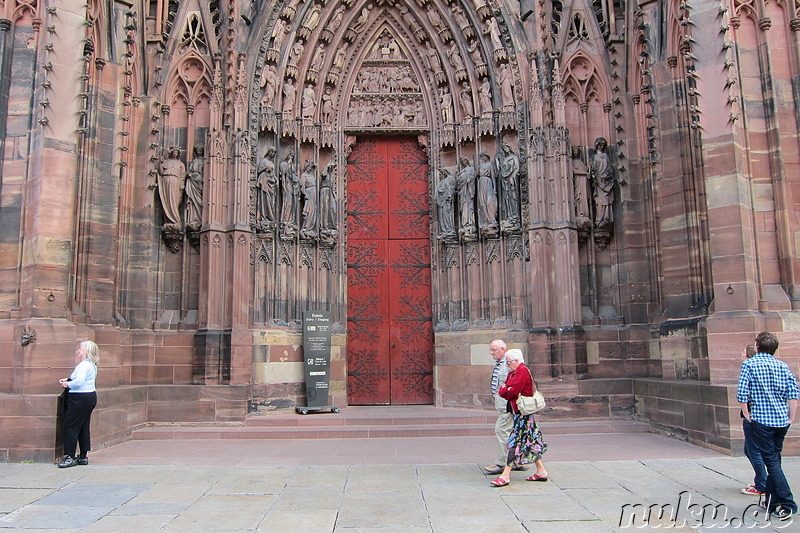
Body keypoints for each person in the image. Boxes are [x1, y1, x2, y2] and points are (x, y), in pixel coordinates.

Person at [737, 331, 798, 519]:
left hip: (761, 421)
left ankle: (788, 504)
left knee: (771, 462)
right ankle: (772, 501)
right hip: (781, 421)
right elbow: (793, 392)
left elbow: (742, 393)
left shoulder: (749, 364)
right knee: (774, 460)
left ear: (757, 346)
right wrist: (791, 417)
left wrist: (747, 416)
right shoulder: (782, 365)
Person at [490, 349, 548, 487]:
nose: (507, 365)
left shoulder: (522, 371)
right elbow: (504, 390)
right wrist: (506, 389)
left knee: (514, 442)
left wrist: (507, 389)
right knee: (531, 441)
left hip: (523, 414)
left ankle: (505, 475)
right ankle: (541, 471)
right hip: (518, 414)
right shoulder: (513, 372)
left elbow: (512, 391)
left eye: (509, 362)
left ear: (517, 361)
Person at [482, 340, 526, 475]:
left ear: (503, 349)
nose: (492, 353)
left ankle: (503, 463)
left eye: (494, 350)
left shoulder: (509, 363)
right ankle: (517, 461)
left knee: (501, 430)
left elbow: (517, 381)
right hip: (504, 405)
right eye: (491, 350)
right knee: (513, 432)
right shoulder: (501, 364)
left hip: (509, 406)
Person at [58, 340, 99, 468]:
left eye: (80, 349)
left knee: (70, 425)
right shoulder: (91, 365)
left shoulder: (83, 365)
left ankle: (70, 456)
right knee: (82, 426)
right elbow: (84, 379)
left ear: (86, 351)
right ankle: (83, 456)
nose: (78, 351)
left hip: (80, 398)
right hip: (89, 396)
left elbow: (80, 381)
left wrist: (68, 384)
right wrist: (70, 379)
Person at [739, 343, 767, 496]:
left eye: (743, 351)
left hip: (754, 416)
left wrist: (746, 413)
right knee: (749, 450)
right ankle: (761, 480)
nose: (741, 354)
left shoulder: (748, 366)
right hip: (765, 416)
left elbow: (742, 394)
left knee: (754, 450)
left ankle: (762, 484)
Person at [156, 147, 185, 228]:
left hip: (175, 181)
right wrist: (160, 164)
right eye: (174, 152)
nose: (175, 153)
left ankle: (175, 219)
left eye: (177, 152)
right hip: (166, 179)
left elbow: (182, 176)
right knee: (167, 199)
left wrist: (181, 185)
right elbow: (161, 172)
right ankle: (168, 218)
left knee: (174, 199)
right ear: (171, 152)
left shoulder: (180, 164)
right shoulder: (166, 162)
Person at [184, 144, 204, 230]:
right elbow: (189, 171)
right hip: (193, 182)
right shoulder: (194, 161)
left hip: (200, 183)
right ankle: (194, 218)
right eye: (197, 149)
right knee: (193, 200)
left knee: (200, 201)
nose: (198, 151)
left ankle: (199, 218)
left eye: (200, 149)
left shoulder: (205, 160)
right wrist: (189, 174)